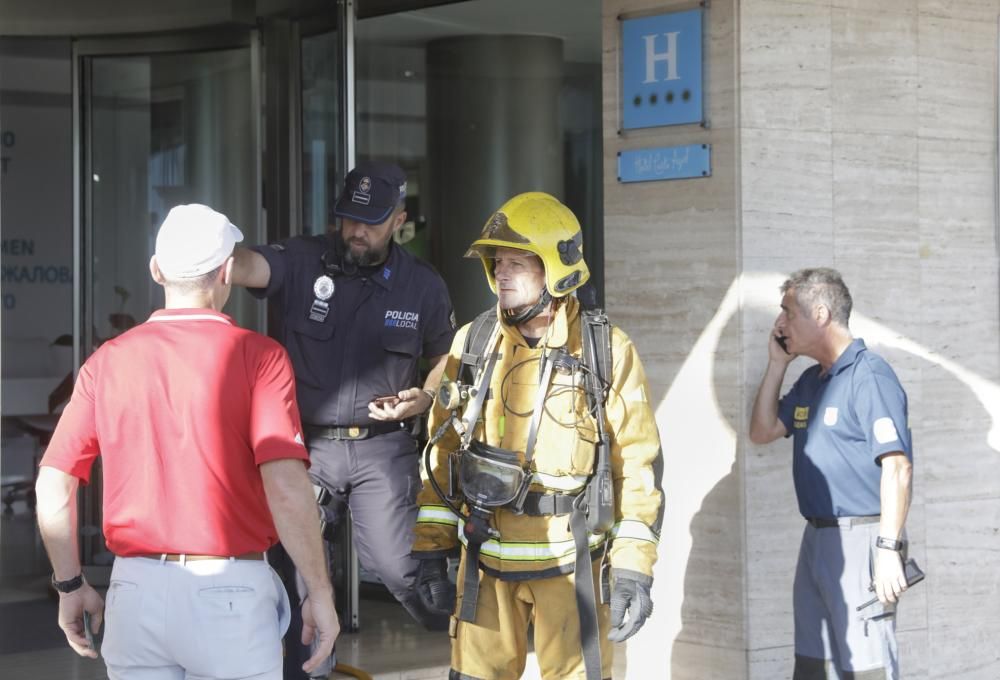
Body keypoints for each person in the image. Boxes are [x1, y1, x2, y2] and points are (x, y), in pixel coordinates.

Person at [35, 203, 339, 680]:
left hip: (134, 589)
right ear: (226, 273)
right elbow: (285, 486)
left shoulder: (107, 361)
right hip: (230, 591)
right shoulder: (259, 357)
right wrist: (318, 591)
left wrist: (70, 584)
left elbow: (53, 485)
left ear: (156, 270)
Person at [412, 192, 664, 680]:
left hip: (574, 565)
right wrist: (430, 551)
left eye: (516, 263)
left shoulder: (606, 350)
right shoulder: (473, 341)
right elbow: (442, 453)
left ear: (557, 268)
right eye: (496, 263)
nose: (500, 274)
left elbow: (636, 464)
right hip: (483, 558)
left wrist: (634, 569)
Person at [230, 162, 457, 662]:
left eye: (371, 221)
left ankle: (468, 644)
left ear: (399, 220)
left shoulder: (422, 285)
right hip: (305, 448)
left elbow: (445, 357)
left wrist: (426, 394)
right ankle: (307, 668)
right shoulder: (304, 258)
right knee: (294, 568)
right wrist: (209, 251)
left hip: (383, 450)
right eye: (348, 218)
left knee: (401, 570)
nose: (356, 230)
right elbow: (248, 266)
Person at [749, 267, 913, 680]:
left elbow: (897, 466)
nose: (780, 323)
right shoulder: (811, 381)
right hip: (816, 539)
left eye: (788, 312)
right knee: (814, 667)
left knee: (867, 668)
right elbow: (763, 431)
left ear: (819, 314)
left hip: (862, 539)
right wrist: (775, 365)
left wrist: (889, 549)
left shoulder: (868, 375)